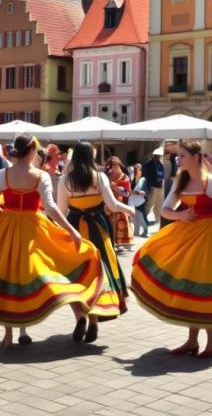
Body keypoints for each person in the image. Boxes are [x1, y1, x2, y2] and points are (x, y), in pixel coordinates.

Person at [0, 135, 107, 348]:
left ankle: (9, 334)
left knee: (6, 278)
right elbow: (51, 208)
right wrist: (72, 230)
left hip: (7, 228)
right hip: (33, 229)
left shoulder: (4, 174)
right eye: (36, 151)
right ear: (30, 152)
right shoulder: (40, 176)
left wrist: (5, 215)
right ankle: (70, 316)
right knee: (47, 270)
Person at [132, 141, 212, 358]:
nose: (178, 160)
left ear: (195, 157)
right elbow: (165, 210)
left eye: (182, 156)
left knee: (200, 285)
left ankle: (211, 338)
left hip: (208, 241)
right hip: (186, 238)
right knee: (188, 287)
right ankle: (193, 341)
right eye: (178, 156)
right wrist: (181, 215)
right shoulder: (180, 182)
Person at [57, 142, 136, 341]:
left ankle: (79, 317)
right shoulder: (100, 177)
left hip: (75, 231)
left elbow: (61, 211)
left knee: (75, 277)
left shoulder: (65, 180)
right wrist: (129, 209)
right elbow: (113, 204)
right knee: (100, 275)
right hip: (98, 230)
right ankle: (93, 320)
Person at [106, 156, 134, 250]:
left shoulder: (125, 177)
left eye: (113, 165)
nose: (111, 167)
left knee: (119, 224)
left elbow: (127, 193)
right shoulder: (107, 176)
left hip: (119, 203)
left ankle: (118, 243)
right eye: (110, 165)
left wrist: (115, 188)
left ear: (118, 165)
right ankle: (110, 242)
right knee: (108, 224)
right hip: (107, 204)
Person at [142, 148, 165, 229]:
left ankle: (159, 222)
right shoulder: (149, 164)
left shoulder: (160, 163)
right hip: (152, 187)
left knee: (159, 205)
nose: (159, 157)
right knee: (149, 204)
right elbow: (145, 175)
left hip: (160, 187)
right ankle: (143, 220)